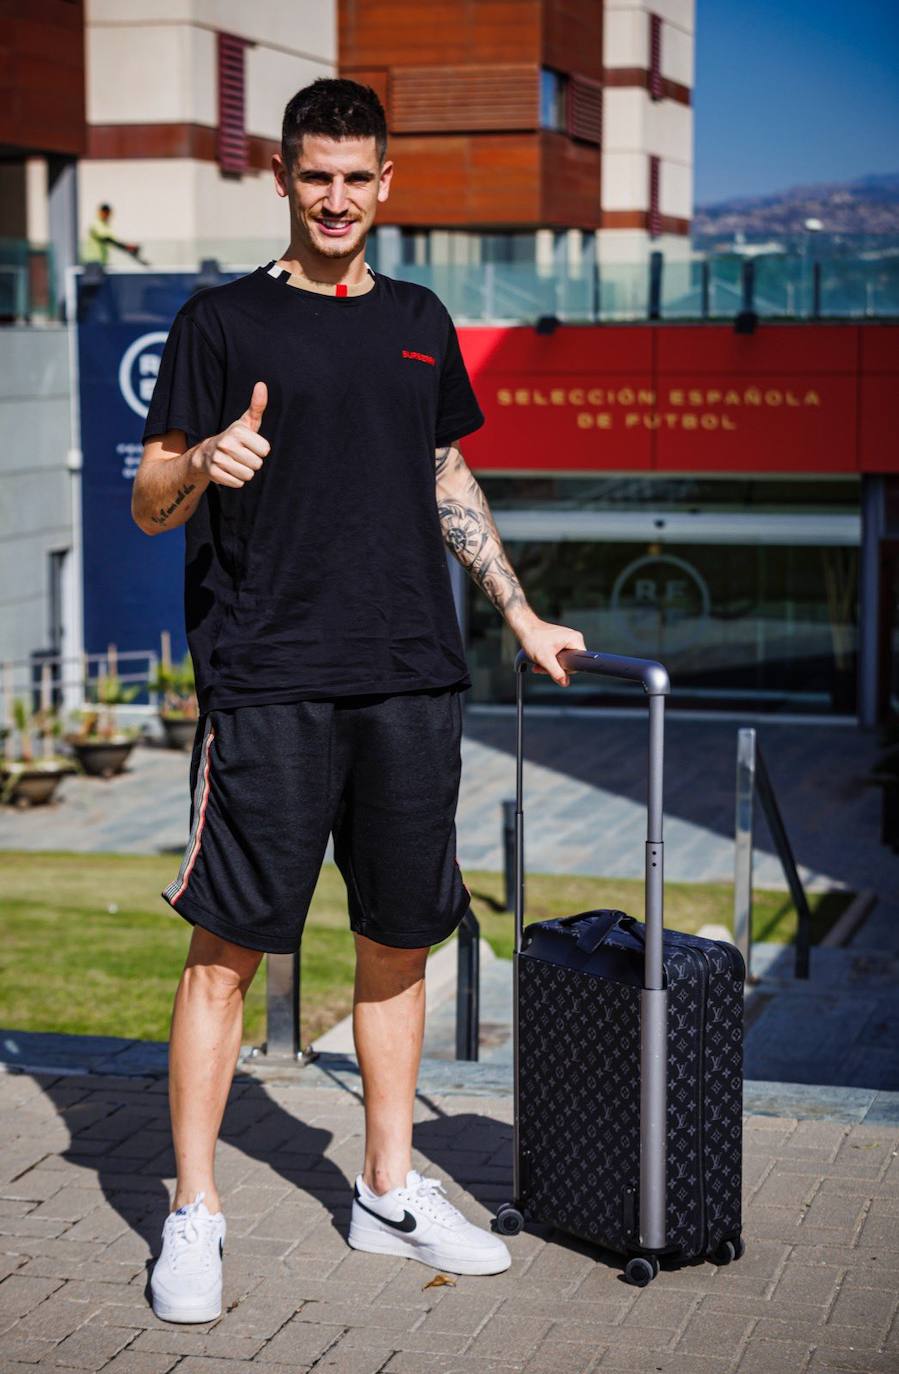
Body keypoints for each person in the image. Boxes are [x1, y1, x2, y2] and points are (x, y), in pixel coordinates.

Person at [131, 77, 585, 1325]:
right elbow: (152, 498)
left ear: (386, 184)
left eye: (354, 178)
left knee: (398, 939)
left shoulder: (420, 319)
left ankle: (386, 1189)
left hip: (410, 677)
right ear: (281, 178)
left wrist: (518, 612)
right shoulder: (219, 322)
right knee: (225, 954)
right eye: (314, 176)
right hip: (268, 682)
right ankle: (194, 1213)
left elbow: (443, 472)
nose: (334, 198)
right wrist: (201, 458)